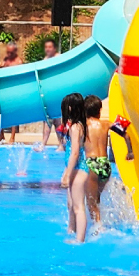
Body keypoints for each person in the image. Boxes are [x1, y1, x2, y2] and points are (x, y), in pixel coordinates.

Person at [59, 92, 90, 242]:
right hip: (76, 170)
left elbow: (75, 152)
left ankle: (79, 240)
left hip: (78, 170)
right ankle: (71, 230)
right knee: (71, 204)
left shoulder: (75, 128)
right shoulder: (78, 125)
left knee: (78, 207)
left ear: (70, 108)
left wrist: (67, 173)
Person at [83, 94, 111, 222]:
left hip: (92, 164)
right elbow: (125, 133)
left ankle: (98, 228)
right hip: (106, 165)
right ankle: (99, 223)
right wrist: (130, 151)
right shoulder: (106, 124)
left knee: (91, 203)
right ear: (99, 110)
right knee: (97, 199)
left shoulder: (84, 126)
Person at [37, 37, 61, 149]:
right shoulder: (44, 60)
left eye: (50, 47)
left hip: (58, 93)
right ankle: (44, 144)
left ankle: (61, 144)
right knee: (48, 120)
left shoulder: (59, 58)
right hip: (48, 94)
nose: (47, 49)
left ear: (54, 48)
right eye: (46, 47)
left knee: (57, 121)